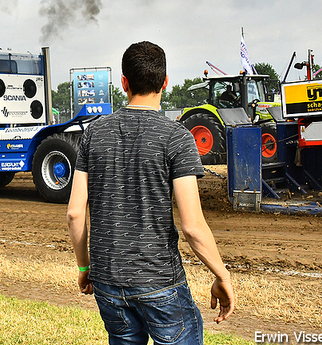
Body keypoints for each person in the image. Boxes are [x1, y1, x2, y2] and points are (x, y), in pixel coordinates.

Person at [67, 41, 235, 345]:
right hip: (159, 282)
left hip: (106, 282)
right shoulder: (177, 138)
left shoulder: (93, 134)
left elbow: (75, 213)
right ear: (165, 82)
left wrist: (84, 266)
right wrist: (221, 275)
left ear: (124, 83)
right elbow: (193, 227)